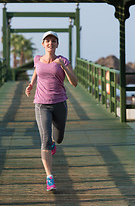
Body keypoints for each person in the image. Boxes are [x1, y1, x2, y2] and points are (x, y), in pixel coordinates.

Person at [25, 31, 78, 191]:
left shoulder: (63, 60)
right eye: (47, 41)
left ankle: (54, 143)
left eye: (53, 41)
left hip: (60, 103)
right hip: (41, 104)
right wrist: (31, 84)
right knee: (45, 140)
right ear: (43, 44)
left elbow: (74, 83)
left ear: (57, 44)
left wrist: (63, 66)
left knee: (58, 137)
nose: (50, 43)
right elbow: (37, 70)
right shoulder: (37, 59)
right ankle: (49, 177)